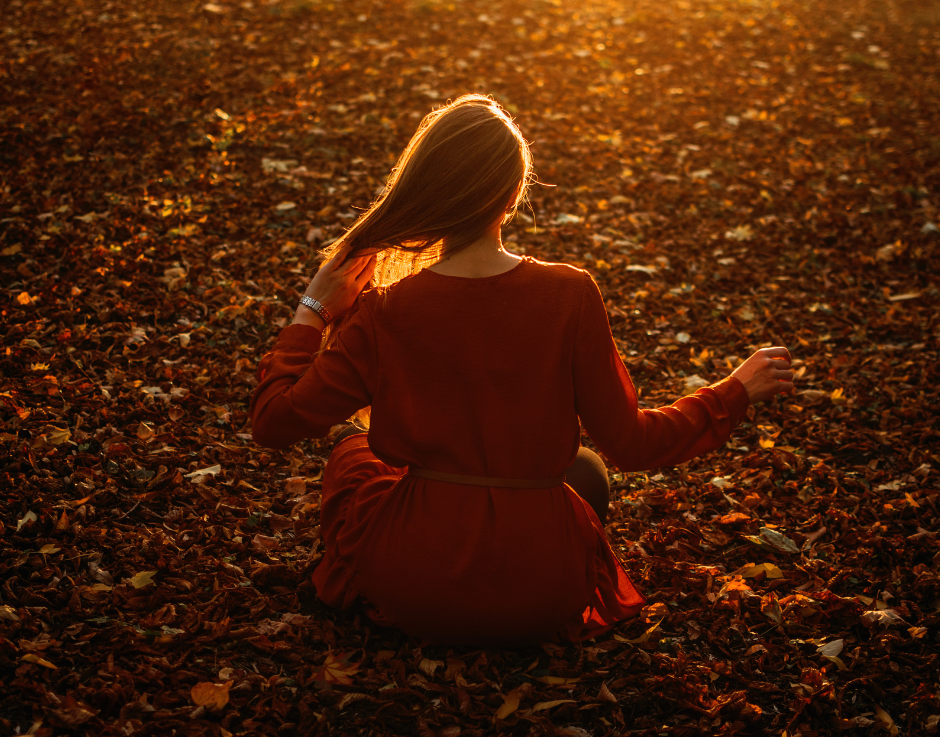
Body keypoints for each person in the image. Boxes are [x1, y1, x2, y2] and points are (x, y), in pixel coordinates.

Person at [249, 94, 794, 646]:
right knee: (584, 472)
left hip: (414, 587)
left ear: (427, 191)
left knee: (354, 453)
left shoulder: (385, 311)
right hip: (546, 591)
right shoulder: (570, 294)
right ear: (512, 195)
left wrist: (312, 310)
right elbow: (633, 444)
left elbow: (273, 421)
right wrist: (733, 391)